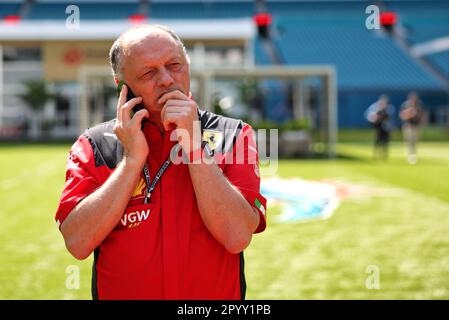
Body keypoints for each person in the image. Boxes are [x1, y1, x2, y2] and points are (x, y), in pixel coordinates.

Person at [54, 24, 267, 300]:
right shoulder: (95, 145)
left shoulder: (233, 135)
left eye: (174, 65)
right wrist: (132, 161)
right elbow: (77, 242)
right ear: (123, 87)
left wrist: (193, 145)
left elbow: (237, 236)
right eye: (148, 72)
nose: (166, 79)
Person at [365, 95, 395, 160]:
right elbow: (369, 116)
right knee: (377, 141)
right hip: (377, 127)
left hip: (385, 128)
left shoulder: (389, 108)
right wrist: (376, 118)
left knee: (385, 141)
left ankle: (384, 155)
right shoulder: (375, 108)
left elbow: (390, 118)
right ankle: (376, 154)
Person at [399, 91, 425, 164]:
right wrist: (409, 113)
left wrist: (418, 116)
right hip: (408, 125)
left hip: (416, 125)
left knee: (415, 141)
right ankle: (410, 155)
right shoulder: (405, 105)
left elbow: (423, 114)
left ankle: (414, 155)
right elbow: (402, 115)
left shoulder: (419, 105)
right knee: (409, 141)